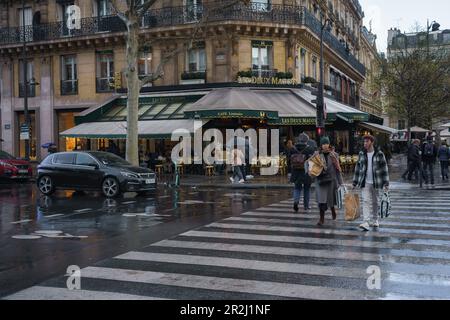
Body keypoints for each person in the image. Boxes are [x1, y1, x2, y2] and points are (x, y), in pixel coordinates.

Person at [353, 135, 390, 232]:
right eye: (364, 142)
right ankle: (365, 222)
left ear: (372, 142)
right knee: (365, 201)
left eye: (367, 142)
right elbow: (358, 168)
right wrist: (355, 182)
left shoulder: (379, 154)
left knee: (375, 202)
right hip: (365, 182)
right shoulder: (361, 153)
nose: (365, 143)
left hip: (376, 182)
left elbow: (384, 168)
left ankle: (375, 219)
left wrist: (386, 183)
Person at [314, 136, 343, 226]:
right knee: (321, 201)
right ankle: (321, 218)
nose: (325, 146)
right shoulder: (316, 155)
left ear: (329, 144)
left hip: (331, 180)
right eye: (323, 144)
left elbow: (338, 169)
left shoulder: (334, 155)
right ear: (321, 145)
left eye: (326, 143)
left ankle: (333, 210)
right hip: (320, 181)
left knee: (330, 200)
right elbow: (309, 164)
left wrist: (341, 182)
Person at [290, 133, 315, 213]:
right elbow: (312, 162)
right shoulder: (310, 149)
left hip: (295, 172)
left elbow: (289, 161)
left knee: (297, 188)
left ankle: (296, 202)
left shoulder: (293, 149)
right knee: (306, 189)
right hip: (306, 172)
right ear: (306, 140)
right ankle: (306, 206)